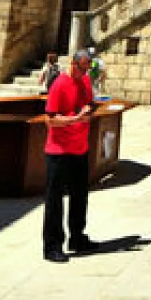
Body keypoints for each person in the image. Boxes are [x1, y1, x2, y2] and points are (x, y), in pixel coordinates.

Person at [41, 50, 97, 263]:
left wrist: (88, 111)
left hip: (80, 148)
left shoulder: (85, 81)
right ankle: (52, 246)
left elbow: (88, 105)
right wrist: (76, 120)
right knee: (55, 200)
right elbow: (51, 120)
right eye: (82, 67)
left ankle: (77, 238)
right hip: (59, 151)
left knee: (80, 196)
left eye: (88, 67)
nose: (85, 71)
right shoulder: (59, 84)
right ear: (73, 63)